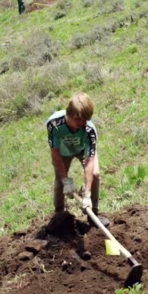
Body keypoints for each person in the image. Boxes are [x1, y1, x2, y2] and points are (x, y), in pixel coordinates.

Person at [47, 93, 107, 227]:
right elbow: (55, 154)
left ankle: (93, 214)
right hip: (63, 152)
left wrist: (87, 194)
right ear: (68, 114)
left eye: (85, 119)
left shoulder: (89, 130)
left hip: (82, 149)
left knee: (95, 175)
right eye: (77, 119)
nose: (81, 123)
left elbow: (89, 161)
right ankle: (59, 215)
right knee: (59, 182)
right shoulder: (54, 124)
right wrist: (66, 180)